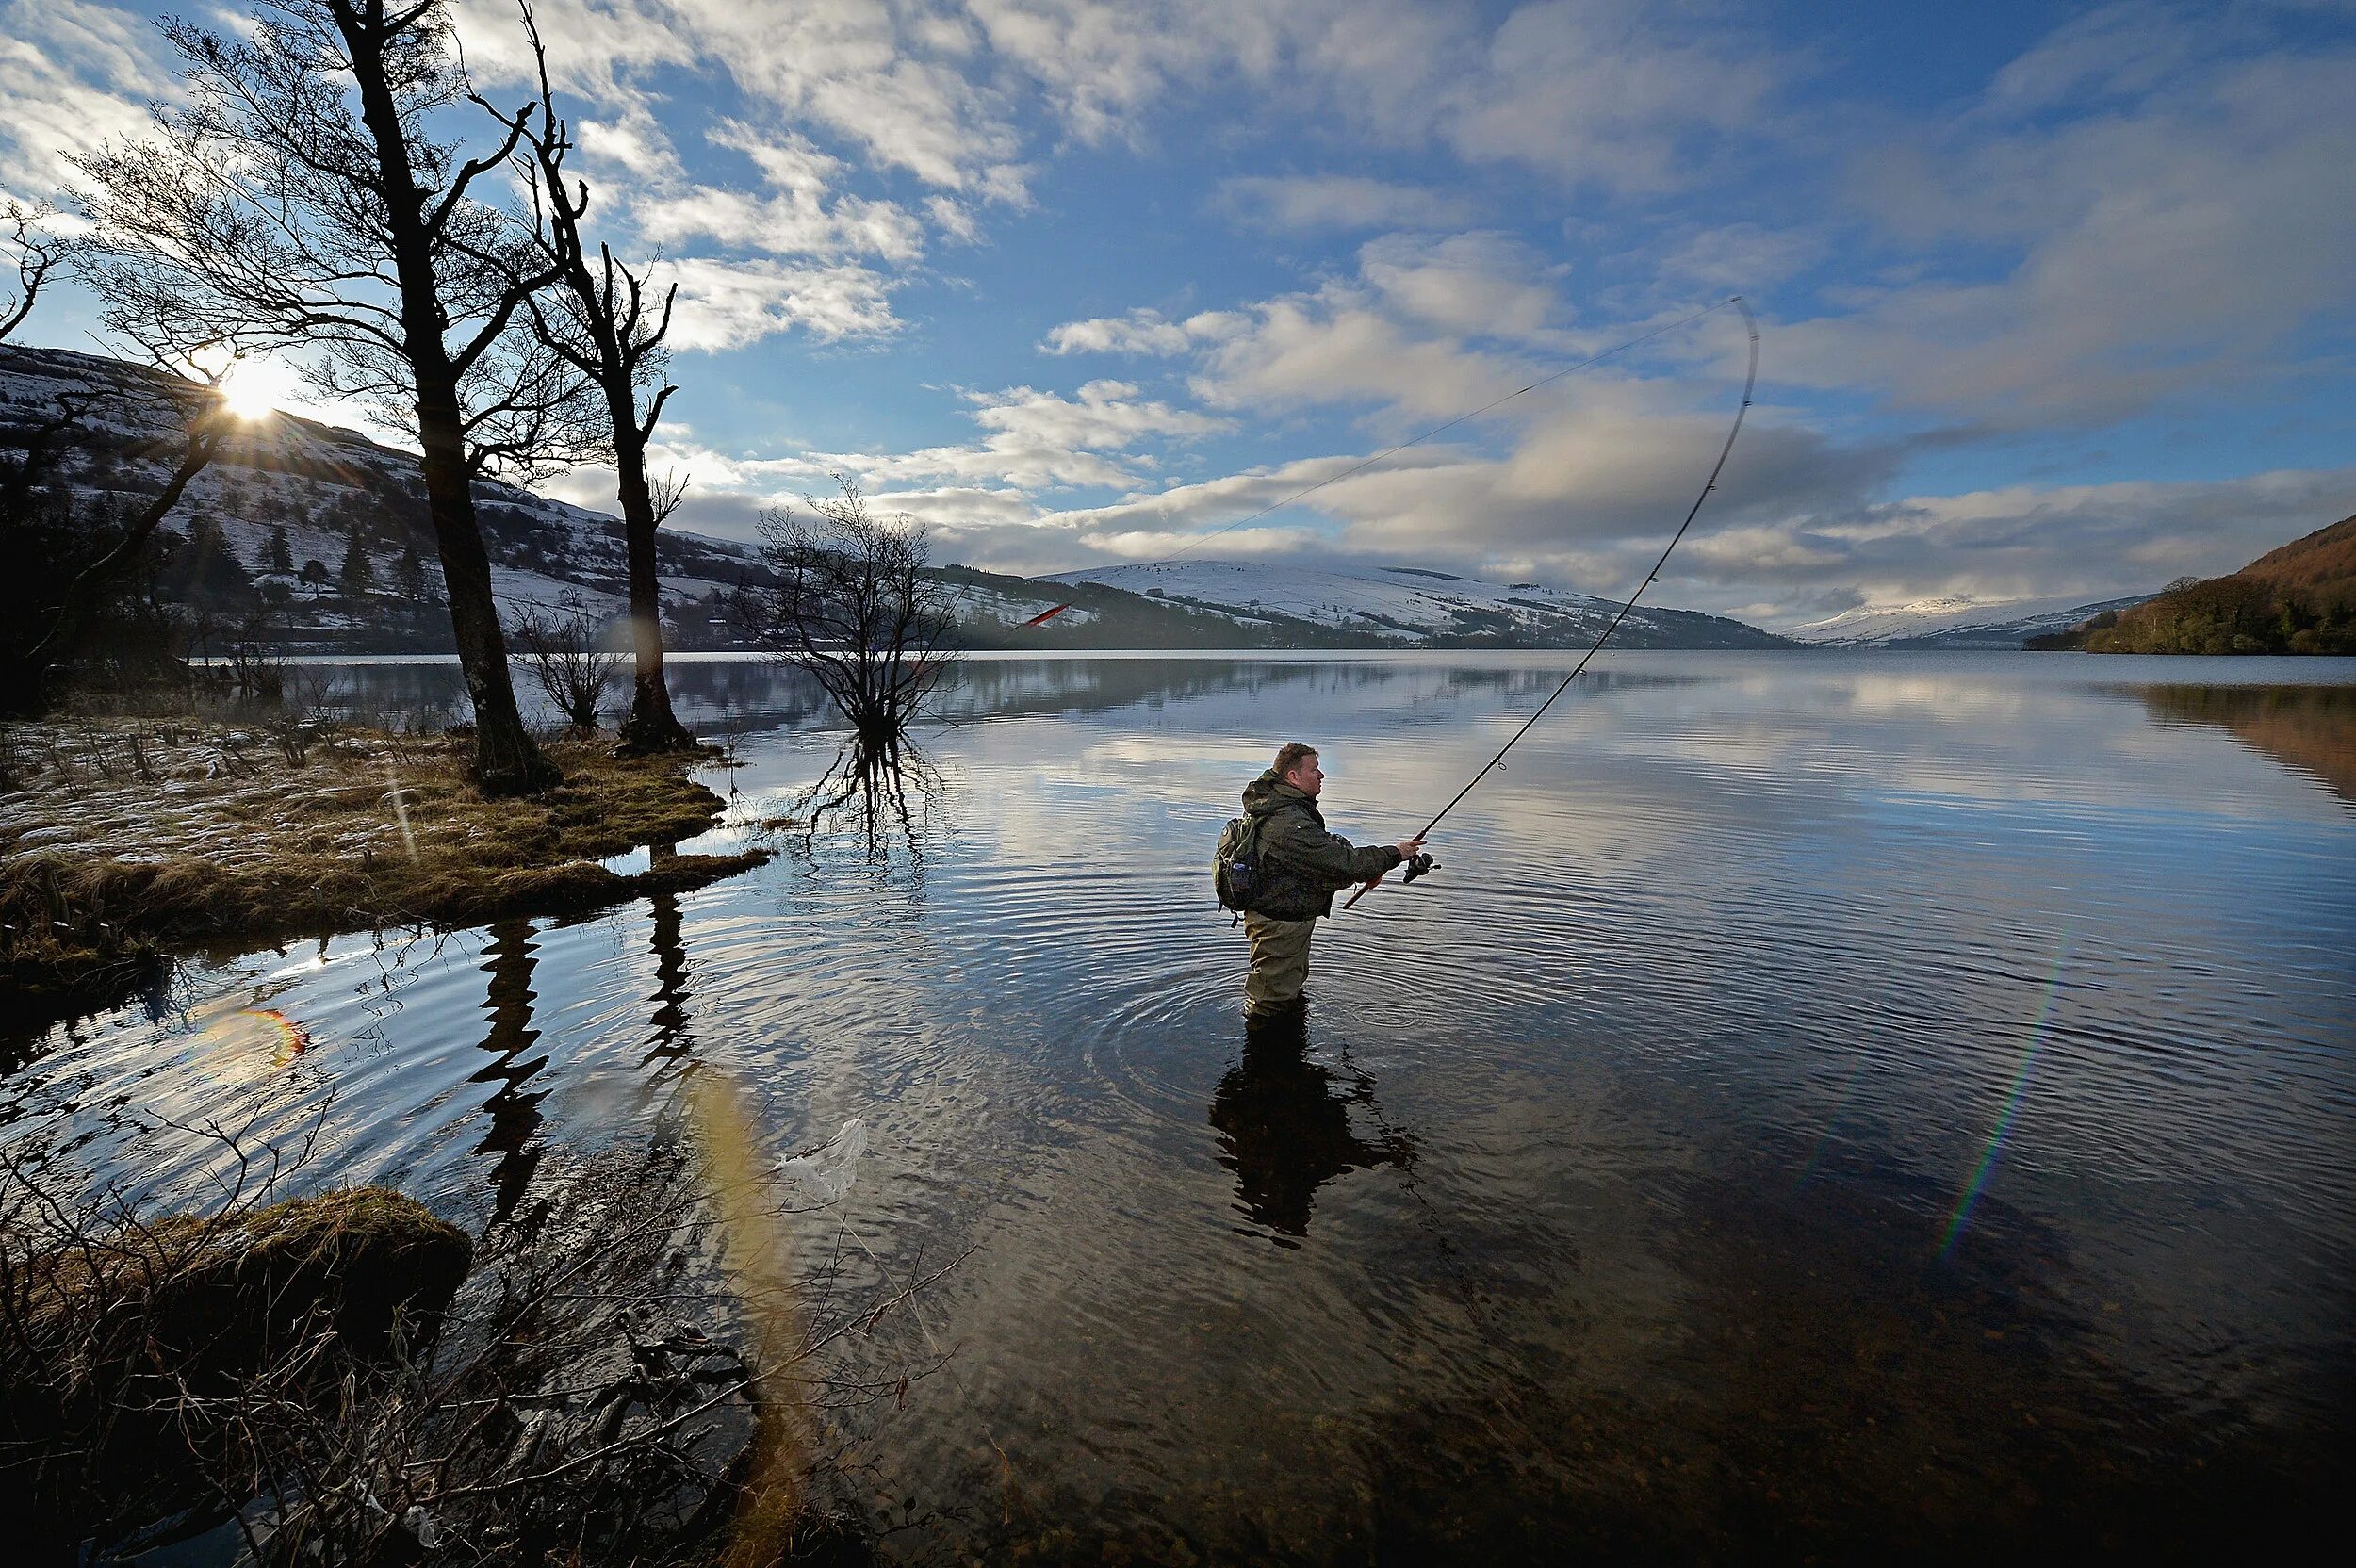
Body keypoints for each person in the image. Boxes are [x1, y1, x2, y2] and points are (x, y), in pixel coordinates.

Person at [1237, 742, 1425, 1020]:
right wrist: (1395, 853)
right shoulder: (1287, 822)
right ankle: (1262, 1055)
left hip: (1286, 921)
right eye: (1314, 769)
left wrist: (1362, 873)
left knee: (1284, 994)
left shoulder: (1284, 810)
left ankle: (1282, 1052)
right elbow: (1338, 861)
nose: (1321, 775)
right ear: (1293, 777)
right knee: (1269, 1004)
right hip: (1279, 927)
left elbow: (1309, 867)